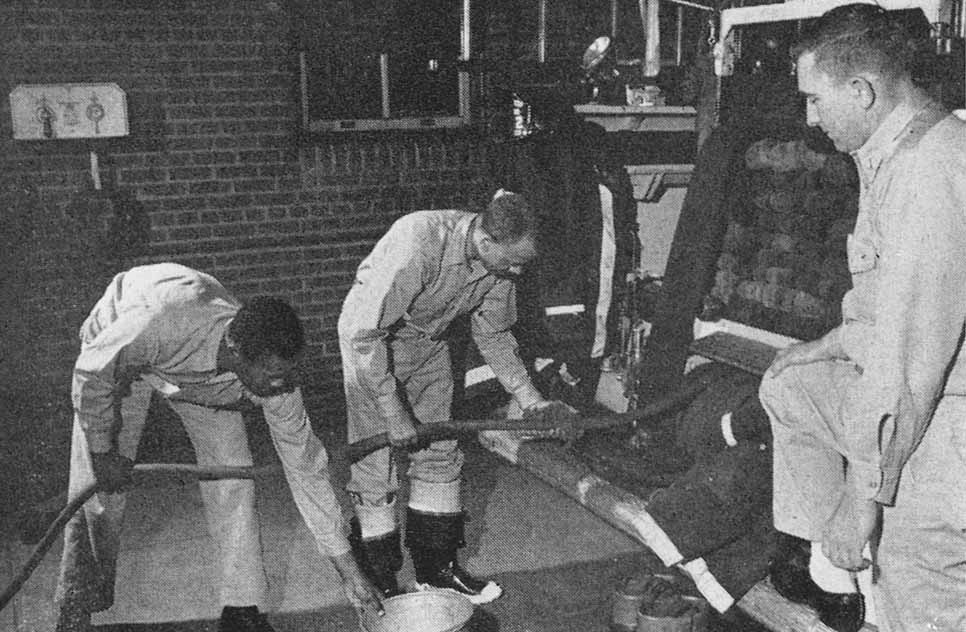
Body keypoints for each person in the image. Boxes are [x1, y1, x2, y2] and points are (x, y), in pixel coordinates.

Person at [759, 5, 966, 632]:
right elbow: (885, 314)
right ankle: (837, 570)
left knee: (919, 600)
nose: (810, 118)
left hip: (947, 423)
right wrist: (824, 344)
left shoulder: (931, 174)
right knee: (789, 385)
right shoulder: (897, 151)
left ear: (862, 91)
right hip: (926, 394)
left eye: (815, 99)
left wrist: (861, 500)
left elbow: (907, 365)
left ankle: (871, 560)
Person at [56, 263, 382, 632]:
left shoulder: (276, 381)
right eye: (271, 376)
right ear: (237, 351)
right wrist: (101, 452)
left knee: (234, 475)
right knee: (98, 489)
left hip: (204, 381)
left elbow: (307, 470)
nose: (281, 386)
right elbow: (91, 372)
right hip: (122, 357)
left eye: (286, 374)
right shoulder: (159, 323)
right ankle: (75, 601)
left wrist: (350, 573)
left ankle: (242, 610)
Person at [338, 190, 568, 604]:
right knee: (376, 464)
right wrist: (393, 413)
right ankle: (380, 578)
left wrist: (530, 398)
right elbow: (362, 333)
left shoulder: (500, 269)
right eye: (512, 260)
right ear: (484, 241)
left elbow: (494, 333)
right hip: (370, 346)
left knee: (440, 452)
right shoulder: (418, 240)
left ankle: (436, 570)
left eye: (523, 263)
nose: (517, 271)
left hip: (430, 343)